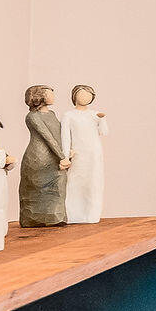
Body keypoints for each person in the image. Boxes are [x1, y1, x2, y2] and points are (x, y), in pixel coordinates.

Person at [19, 85, 71, 227]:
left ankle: (56, 217)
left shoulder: (52, 114)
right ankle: (33, 219)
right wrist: (62, 156)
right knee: (36, 189)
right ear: (39, 96)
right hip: (39, 158)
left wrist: (68, 151)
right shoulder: (32, 116)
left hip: (55, 157)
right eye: (49, 93)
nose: (53, 96)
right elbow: (47, 137)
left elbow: (60, 135)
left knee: (59, 186)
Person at [63, 85, 108, 224]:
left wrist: (102, 119)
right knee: (75, 183)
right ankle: (73, 215)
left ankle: (92, 215)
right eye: (82, 94)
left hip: (94, 154)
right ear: (74, 96)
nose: (85, 97)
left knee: (94, 183)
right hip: (77, 154)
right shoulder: (68, 115)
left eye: (89, 95)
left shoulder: (95, 114)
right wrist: (65, 156)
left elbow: (105, 132)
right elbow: (65, 136)